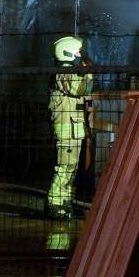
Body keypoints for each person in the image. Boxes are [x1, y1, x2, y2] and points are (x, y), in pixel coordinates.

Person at [48, 36, 92, 218]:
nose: (80, 54)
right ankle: (55, 204)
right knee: (65, 167)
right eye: (78, 51)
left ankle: (64, 202)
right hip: (67, 128)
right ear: (67, 52)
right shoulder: (64, 72)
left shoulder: (69, 71)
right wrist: (88, 72)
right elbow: (81, 89)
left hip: (73, 127)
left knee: (70, 167)